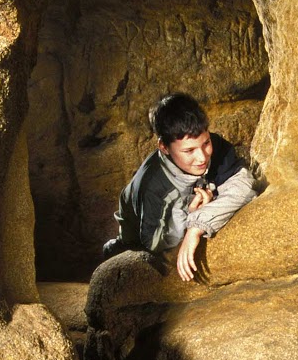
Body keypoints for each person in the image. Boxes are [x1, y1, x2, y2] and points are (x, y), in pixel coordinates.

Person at [103, 92, 258, 281]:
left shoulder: (215, 145)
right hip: (139, 233)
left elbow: (245, 185)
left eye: (206, 143)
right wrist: (187, 215)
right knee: (126, 255)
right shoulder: (152, 188)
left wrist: (196, 225)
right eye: (189, 150)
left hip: (184, 206)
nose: (202, 157)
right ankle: (112, 248)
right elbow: (154, 244)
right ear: (164, 147)